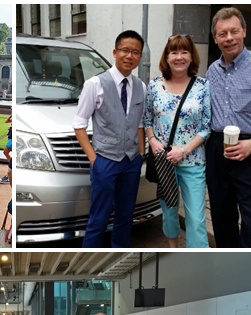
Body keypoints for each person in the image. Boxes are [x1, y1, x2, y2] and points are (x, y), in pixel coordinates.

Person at [72, 30, 146, 248]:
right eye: (125, 50)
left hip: (131, 161)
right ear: (115, 52)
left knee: (125, 217)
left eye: (135, 52)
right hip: (105, 159)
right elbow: (79, 123)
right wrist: (94, 159)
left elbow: (139, 124)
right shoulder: (95, 84)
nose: (129, 56)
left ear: (140, 57)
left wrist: (141, 154)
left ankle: (118, 251)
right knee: (99, 217)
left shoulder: (141, 87)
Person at [144, 35, 211, 248]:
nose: (179, 57)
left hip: (193, 163)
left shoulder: (202, 86)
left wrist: (184, 150)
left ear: (192, 57)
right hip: (164, 162)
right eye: (174, 52)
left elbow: (207, 126)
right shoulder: (154, 85)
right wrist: (152, 140)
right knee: (169, 212)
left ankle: (197, 259)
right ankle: (173, 247)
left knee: (196, 219)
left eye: (184, 52)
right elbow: (146, 119)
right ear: (167, 56)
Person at [205, 7, 251, 248]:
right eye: (222, 33)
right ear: (215, 38)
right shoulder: (212, 71)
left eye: (234, 31)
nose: (229, 38)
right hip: (218, 149)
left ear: (244, 31)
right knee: (221, 214)